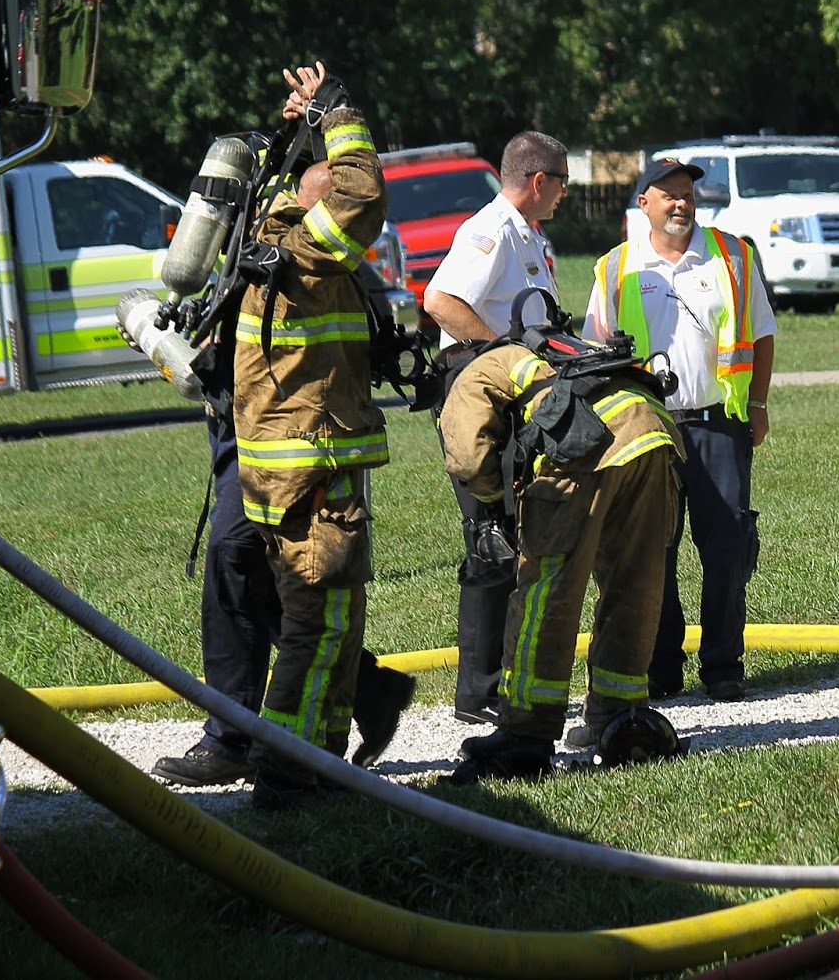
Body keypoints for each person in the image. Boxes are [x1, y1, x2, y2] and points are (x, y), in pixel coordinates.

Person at [222, 63, 396, 809]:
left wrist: (300, 125)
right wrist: (339, 111)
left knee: (318, 621)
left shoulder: (266, 236)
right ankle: (289, 772)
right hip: (313, 466)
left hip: (280, 467)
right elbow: (360, 192)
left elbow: (310, 182)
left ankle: (318, 759)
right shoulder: (307, 255)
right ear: (310, 199)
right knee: (318, 627)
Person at [438, 332, 682, 780]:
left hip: (582, 450)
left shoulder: (479, 371)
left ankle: (524, 733)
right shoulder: (555, 353)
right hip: (651, 435)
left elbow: (468, 457)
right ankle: (619, 717)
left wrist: (495, 498)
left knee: (547, 593)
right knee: (634, 584)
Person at [584, 159, 776, 703]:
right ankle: (660, 667)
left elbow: (761, 334)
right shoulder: (614, 268)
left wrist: (757, 403)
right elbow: (596, 354)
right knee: (652, 553)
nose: (680, 203)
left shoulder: (733, 255)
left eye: (687, 193)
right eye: (667, 194)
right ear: (642, 203)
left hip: (720, 426)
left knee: (727, 549)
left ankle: (723, 668)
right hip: (648, 431)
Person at [149, 413, 415, 789]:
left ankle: (233, 738)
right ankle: (369, 691)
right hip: (240, 414)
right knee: (253, 568)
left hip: (285, 421)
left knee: (235, 551)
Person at [423, 131, 570, 725]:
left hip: (508, 399)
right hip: (479, 400)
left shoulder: (527, 233)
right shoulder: (492, 230)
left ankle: (504, 679)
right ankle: (478, 694)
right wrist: (504, 355)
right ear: (538, 181)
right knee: (493, 539)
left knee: (518, 534)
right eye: (561, 181)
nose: (564, 193)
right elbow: (441, 300)